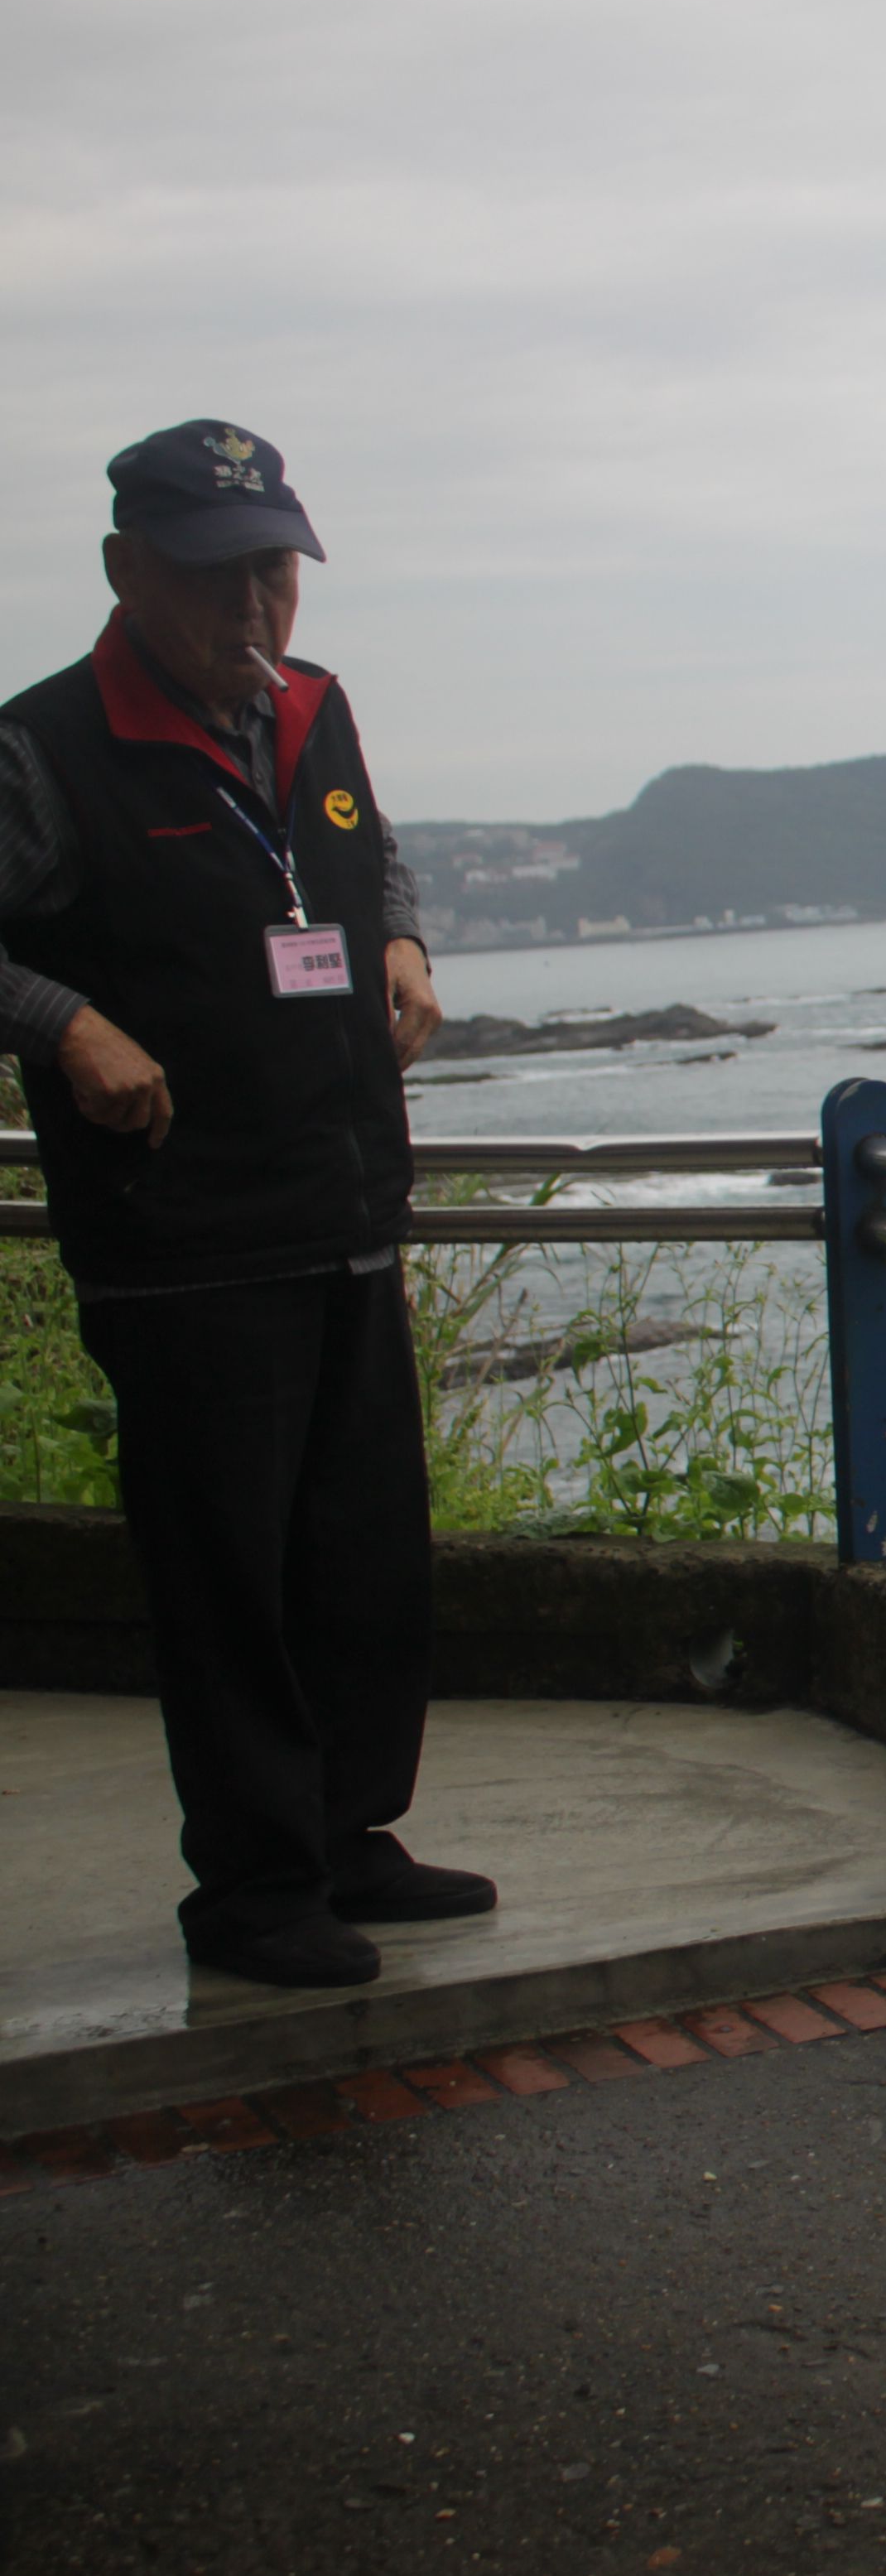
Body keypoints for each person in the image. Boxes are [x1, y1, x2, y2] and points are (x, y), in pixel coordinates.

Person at [0, 421, 471, 1991]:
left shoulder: (314, 708)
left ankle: (349, 1839)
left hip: (342, 1200)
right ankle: (256, 1893)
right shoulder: (47, 749)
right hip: (185, 1237)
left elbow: (365, 852)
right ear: (130, 571)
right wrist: (64, 1022)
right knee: (229, 1578)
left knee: (362, 1559)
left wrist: (399, 941)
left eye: (275, 568)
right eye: (217, 576)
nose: (254, 609)